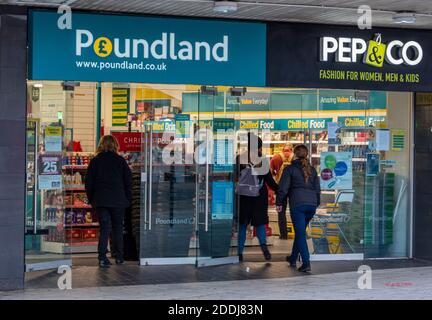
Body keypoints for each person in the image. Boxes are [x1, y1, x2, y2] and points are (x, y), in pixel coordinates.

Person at [85, 135, 132, 268]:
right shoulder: (120, 161)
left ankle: (102, 257)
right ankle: (119, 256)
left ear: (101, 145)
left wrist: (92, 199)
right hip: (118, 200)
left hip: (101, 200)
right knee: (118, 228)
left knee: (105, 228)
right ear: (115, 145)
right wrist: (127, 199)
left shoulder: (95, 161)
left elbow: (88, 183)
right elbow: (128, 181)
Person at [276, 144, 320, 272]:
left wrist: (279, 203)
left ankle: (306, 263)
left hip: (298, 205)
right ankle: (293, 257)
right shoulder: (312, 169)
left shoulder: (290, 169)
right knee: (300, 232)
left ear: (294, 155)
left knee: (300, 233)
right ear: (306, 155)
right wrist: (316, 203)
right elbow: (317, 189)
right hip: (311, 205)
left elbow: (283, 189)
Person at [236, 133, 279, 262]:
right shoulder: (262, 161)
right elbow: (270, 181)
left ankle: (239, 252)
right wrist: (281, 191)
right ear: (259, 147)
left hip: (244, 196)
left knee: (243, 225)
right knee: (260, 223)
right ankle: (264, 247)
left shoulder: (240, 158)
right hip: (259, 197)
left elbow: (234, 176)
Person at [270, 143, 294, 240]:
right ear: (291, 149)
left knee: (281, 212)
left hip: (280, 189)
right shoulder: (294, 157)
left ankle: (283, 235)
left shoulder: (276, 157)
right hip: (293, 189)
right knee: (294, 211)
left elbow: (271, 172)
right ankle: (299, 233)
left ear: (283, 149)